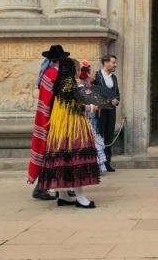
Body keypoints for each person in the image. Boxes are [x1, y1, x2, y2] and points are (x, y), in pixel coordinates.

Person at [36, 58, 102, 209]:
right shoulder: (70, 84)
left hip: (60, 127)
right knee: (75, 160)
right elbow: (73, 108)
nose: (79, 73)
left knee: (64, 161)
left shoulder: (60, 83)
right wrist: (91, 108)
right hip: (72, 126)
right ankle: (80, 197)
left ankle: (63, 196)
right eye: (78, 70)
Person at [28, 44, 68, 201]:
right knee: (50, 154)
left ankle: (62, 186)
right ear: (59, 60)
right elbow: (48, 101)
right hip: (52, 119)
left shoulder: (56, 74)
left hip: (59, 118)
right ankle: (41, 188)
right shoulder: (51, 74)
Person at [77, 62, 108, 174]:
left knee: (95, 144)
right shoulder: (81, 88)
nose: (95, 74)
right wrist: (92, 107)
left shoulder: (89, 88)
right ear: (88, 74)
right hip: (84, 121)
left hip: (93, 121)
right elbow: (80, 106)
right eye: (93, 72)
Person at [92, 54, 120, 171]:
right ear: (106, 63)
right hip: (100, 111)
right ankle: (98, 162)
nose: (115, 65)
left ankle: (107, 162)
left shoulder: (114, 77)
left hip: (111, 111)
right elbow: (94, 93)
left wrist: (117, 100)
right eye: (113, 62)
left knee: (109, 136)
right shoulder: (97, 76)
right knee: (99, 136)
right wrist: (108, 100)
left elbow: (117, 93)